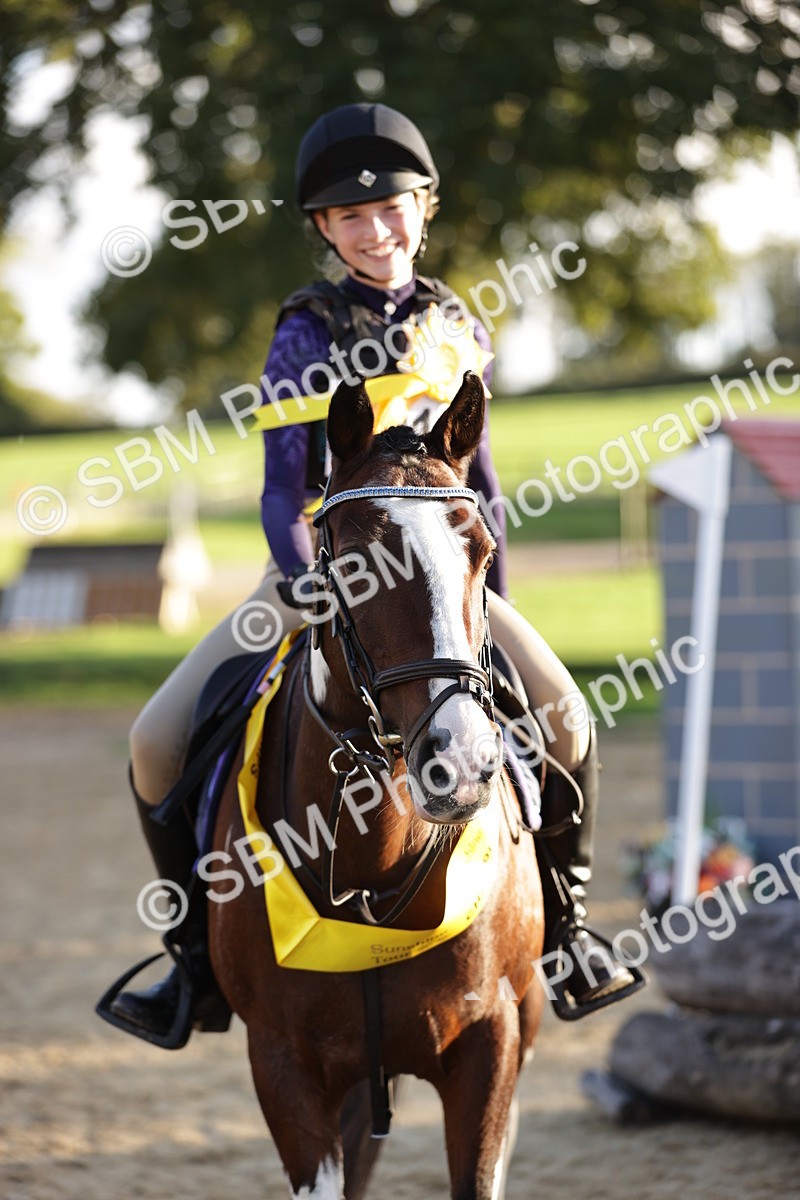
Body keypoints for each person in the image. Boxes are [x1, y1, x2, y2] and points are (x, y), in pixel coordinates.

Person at [103, 103, 640, 1047]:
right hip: (319, 572)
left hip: (446, 588)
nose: (374, 228)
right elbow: (281, 490)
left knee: (565, 714)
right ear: (324, 228)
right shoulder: (304, 331)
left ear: (425, 209)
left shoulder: (459, 325)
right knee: (155, 740)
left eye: (392, 208)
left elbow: (484, 487)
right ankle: (193, 969)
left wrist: (490, 605)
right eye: (351, 217)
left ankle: (568, 935)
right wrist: (307, 580)